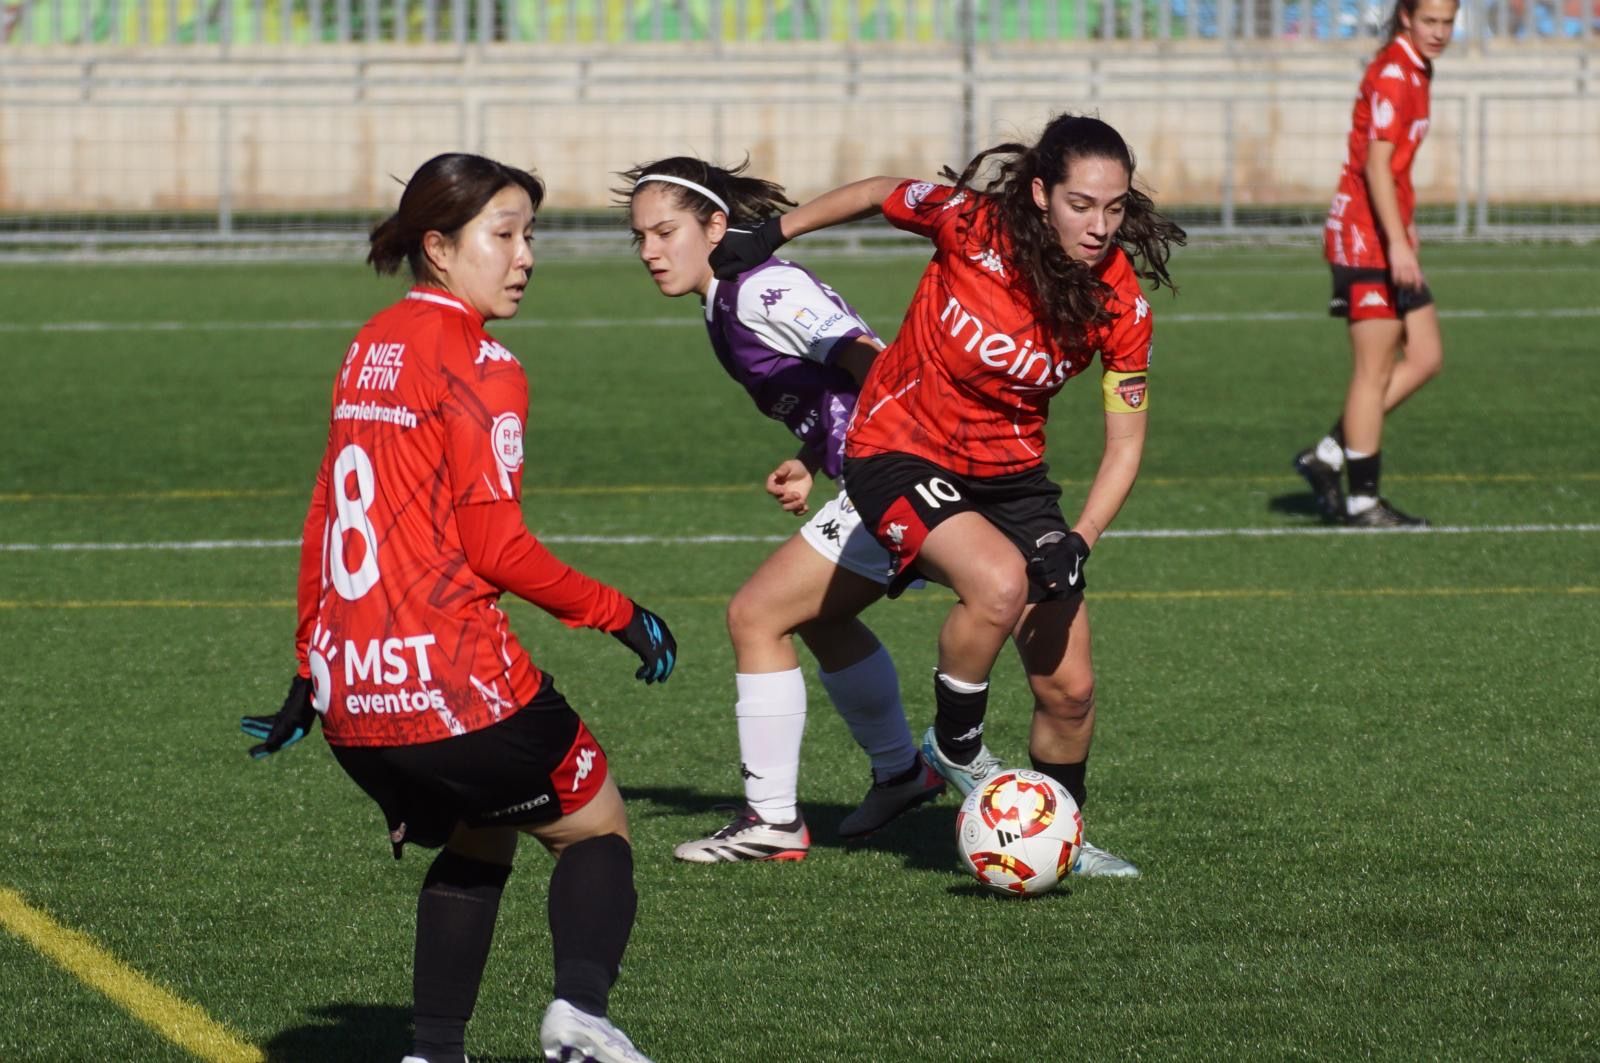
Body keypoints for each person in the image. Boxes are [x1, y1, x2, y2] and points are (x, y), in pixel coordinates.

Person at [239, 152, 674, 1063]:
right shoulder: (482, 362)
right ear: (438, 247)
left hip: (355, 692)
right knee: (594, 823)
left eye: (529, 235)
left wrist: (308, 668)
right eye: (505, 235)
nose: (524, 256)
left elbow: (326, 510)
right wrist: (620, 612)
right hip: (449, 676)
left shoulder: (369, 342)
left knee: (488, 828)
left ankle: (433, 1050)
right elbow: (497, 549)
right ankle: (581, 1014)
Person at [710, 114, 1185, 878]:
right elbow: (875, 192)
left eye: (1115, 207)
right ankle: (953, 744)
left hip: (1013, 475)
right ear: (1039, 193)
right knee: (996, 583)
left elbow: (1125, 444)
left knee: (1070, 689)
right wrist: (772, 235)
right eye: (1080, 205)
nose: (1100, 227)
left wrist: (1081, 537)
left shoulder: (1120, 303)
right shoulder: (969, 223)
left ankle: (1058, 833)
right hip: (897, 447)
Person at [618, 157, 944, 863]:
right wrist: (810, 451)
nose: (649, 250)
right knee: (819, 617)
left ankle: (771, 821)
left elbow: (867, 360)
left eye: (665, 231)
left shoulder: (760, 287)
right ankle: (901, 771)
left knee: (756, 615)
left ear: (714, 225)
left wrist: (884, 463)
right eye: (639, 236)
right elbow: (830, 386)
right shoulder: (725, 296)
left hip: (903, 472)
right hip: (884, 467)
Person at [1294, 0, 1458, 527]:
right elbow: (1377, 167)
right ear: (1406, 17)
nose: (1439, 32)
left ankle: (1329, 454)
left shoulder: (1416, 66)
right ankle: (1364, 501)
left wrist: (1407, 229)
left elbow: (1397, 169)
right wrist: (1397, 242)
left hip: (1384, 233)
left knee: (1426, 354)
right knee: (1374, 370)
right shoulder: (1392, 72)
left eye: (1447, 22)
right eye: (1429, 21)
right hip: (1364, 238)